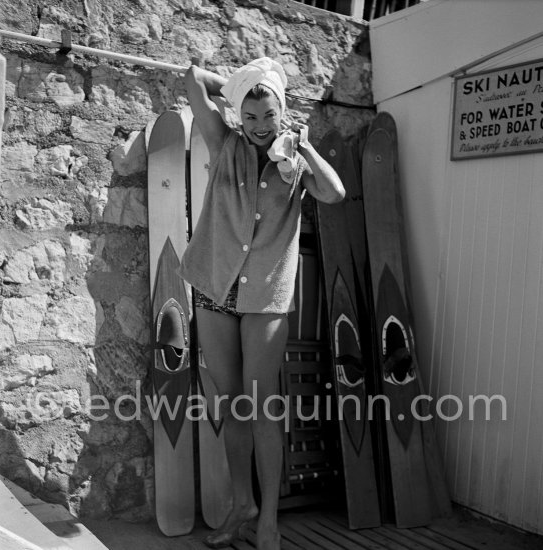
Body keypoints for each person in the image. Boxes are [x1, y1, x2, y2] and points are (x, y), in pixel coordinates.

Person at [178, 57, 345, 550]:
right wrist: (243, 84)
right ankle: (241, 505)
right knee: (230, 405)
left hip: (264, 298)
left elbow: (334, 194)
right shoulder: (224, 142)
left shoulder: (295, 165)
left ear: (282, 112)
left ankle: (268, 520)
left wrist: (305, 146)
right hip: (215, 288)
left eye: (268, 117)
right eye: (249, 117)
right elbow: (191, 79)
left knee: (263, 407)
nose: (257, 127)